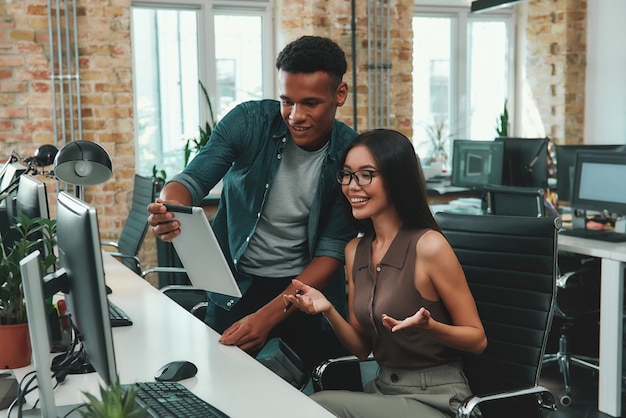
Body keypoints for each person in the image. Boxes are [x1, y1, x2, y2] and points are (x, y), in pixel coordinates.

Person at [147, 35, 358, 373]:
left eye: (310, 103)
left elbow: (331, 254)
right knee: (224, 387)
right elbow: (192, 180)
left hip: (306, 291)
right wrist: (169, 208)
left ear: (340, 94)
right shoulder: (249, 122)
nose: (295, 115)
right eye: (286, 101)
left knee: (307, 399)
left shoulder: (350, 152)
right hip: (237, 286)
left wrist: (268, 316)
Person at [283, 129, 487, 417]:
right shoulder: (354, 250)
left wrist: (431, 328)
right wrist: (327, 309)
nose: (353, 186)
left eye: (366, 174)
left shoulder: (429, 246)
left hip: (438, 398)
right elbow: (362, 349)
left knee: (317, 406)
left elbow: (477, 340)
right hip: (383, 390)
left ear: (396, 179)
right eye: (348, 174)